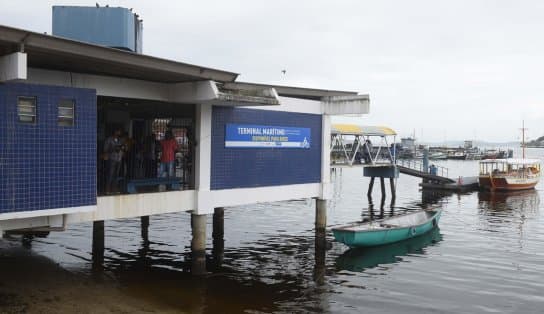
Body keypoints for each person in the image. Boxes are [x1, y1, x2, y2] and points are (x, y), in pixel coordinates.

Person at [103, 129, 123, 193]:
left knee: (116, 175)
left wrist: (122, 149)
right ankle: (107, 189)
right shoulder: (109, 139)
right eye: (118, 132)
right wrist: (114, 149)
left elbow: (122, 148)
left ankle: (114, 188)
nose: (119, 133)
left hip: (119, 159)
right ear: (115, 132)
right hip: (112, 159)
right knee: (110, 174)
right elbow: (105, 149)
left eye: (120, 132)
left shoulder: (120, 140)